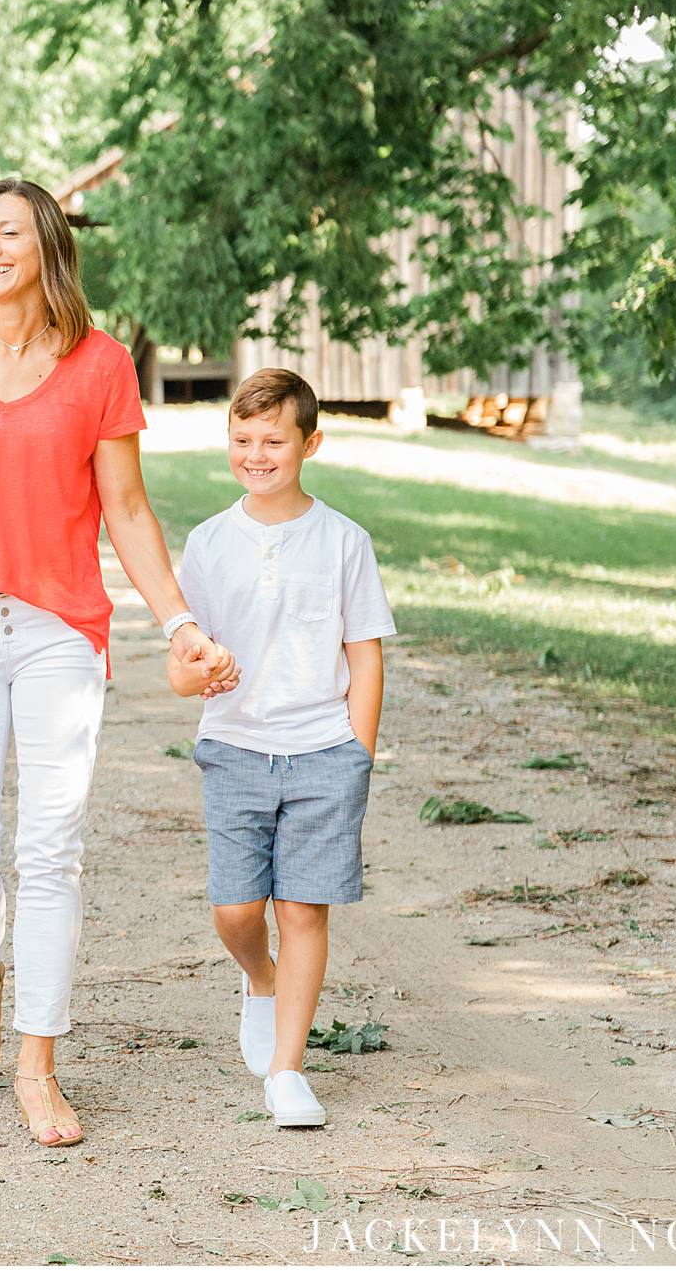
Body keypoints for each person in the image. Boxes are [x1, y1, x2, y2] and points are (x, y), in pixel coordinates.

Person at [0, 177, 238, 1148]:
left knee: (50, 847)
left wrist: (178, 619)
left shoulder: (98, 362)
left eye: (8, 232)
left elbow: (125, 508)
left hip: (59, 630)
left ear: (47, 250)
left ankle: (39, 1061)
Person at [166, 367, 395, 1128]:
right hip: (234, 745)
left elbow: (365, 654)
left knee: (303, 908)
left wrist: (357, 752)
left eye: (273, 440)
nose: (256, 454)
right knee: (237, 910)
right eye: (241, 440)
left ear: (310, 443)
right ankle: (259, 978)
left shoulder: (342, 541)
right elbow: (176, 665)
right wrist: (197, 670)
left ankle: (288, 1070)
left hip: (324, 749)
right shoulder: (208, 543)